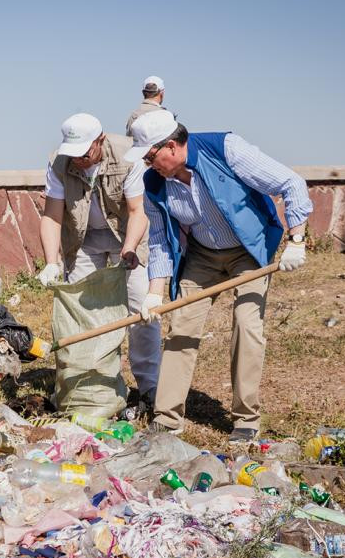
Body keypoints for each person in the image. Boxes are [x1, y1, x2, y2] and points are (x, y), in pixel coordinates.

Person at [125, 110, 312, 442]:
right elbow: (160, 240)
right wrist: (154, 293)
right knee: (181, 323)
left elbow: (291, 183)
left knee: (247, 323)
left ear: (170, 146)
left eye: (150, 156)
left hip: (249, 251)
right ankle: (167, 418)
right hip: (202, 256)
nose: (146, 164)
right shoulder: (153, 183)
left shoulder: (226, 149)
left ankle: (245, 419)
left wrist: (297, 240)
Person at [37, 113, 161, 410]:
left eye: (85, 153)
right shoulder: (59, 162)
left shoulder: (126, 156)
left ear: (100, 140)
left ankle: (150, 387)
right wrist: (51, 262)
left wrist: (129, 249)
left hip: (126, 235)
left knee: (141, 308)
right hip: (83, 240)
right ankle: (84, 385)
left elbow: (136, 211)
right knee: (78, 309)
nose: (78, 160)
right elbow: (52, 215)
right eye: (73, 154)